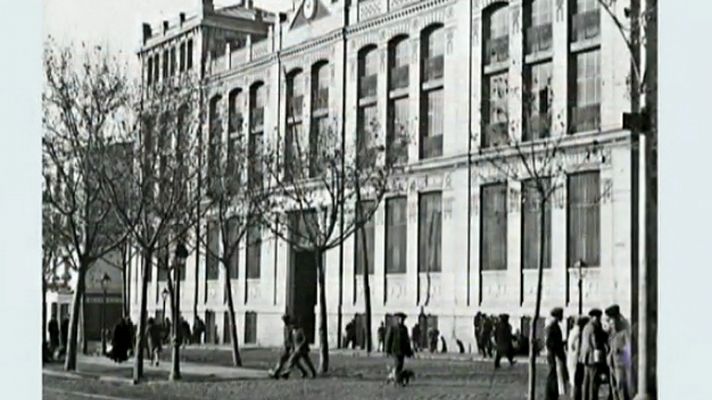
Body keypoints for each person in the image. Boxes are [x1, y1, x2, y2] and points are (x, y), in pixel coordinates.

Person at [605, 305, 633, 400]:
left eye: (612, 321)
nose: (611, 324)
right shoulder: (612, 332)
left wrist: (625, 362)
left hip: (620, 364)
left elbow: (629, 349)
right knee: (614, 387)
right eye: (610, 322)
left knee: (621, 387)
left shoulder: (625, 331)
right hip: (612, 364)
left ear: (617, 319)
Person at [579, 309, 608, 400]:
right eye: (598, 318)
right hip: (593, 358)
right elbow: (596, 343)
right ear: (595, 317)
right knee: (594, 382)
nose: (599, 319)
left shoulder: (586, 327)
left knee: (586, 382)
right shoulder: (594, 327)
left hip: (585, 358)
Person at [269, 314, 308, 378]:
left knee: (289, 360)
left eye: (285, 320)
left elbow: (292, 338)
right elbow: (286, 338)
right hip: (287, 347)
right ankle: (303, 372)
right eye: (283, 320)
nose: (284, 321)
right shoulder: (285, 327)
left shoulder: (291, 328)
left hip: (291, 347)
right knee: (292, 361)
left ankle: (277, 373)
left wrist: (292, 348)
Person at [545, 307, 568, 400]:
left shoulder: (554, 326)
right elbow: (549, 343)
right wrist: (558, 347)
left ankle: (553, 395)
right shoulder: (552, 327)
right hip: (554, 355)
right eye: (561, 315)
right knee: (552, 376)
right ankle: (550, 396)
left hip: (555, 354)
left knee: (554, 376)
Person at [384, 312, 413, 385]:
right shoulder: (393, 328)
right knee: (397, 365)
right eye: (400, 319)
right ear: (397, 320)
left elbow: (407, 340)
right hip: (395, 350)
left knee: (400, 365)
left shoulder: (404, 329)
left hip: (402, 350)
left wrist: (409, 351)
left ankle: (393, 378)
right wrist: (387, 350)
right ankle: (396, 379)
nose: (401, 321)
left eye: (402, 319)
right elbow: (388, 339)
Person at [568, 316, 590, 400]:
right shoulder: (579, 333)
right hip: (577, 360)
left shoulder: (573, 332)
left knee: (574, 382)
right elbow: (577, 348)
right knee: (577, 382)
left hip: (572, 359)